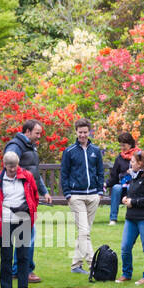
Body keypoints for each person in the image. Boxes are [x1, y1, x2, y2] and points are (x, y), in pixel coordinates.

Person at [0, 150, 39, 288]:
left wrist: (31, 210)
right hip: (6, 221)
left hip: (24, 219)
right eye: (10, 167)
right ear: (4, 166)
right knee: (6, 257)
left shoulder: (27, 177)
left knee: (23, 256)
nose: (13, 169)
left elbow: (34, 195)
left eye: (15, 166)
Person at [2, 119, 49, 282]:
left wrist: (44, 191)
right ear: (27, 132)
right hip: (19, 199)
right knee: (28, 235)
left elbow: (34, 173)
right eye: (37, 133)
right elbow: (8, 171)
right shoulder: (15, 146)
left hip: (28, 198)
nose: (39, 136)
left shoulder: (30, 147)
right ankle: (26, 270)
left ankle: (18, 269)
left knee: (25, 235)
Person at [60, 117, 107, 275]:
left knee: (84, 232)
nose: (82, 135)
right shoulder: (69, 152)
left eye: (85, 132)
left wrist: (100, 192)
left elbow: (100, 172)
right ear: (76, 132)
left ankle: (75, 266)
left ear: (89, 132)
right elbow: (64, 174)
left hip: (93, 195)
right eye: (80, 132)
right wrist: (68, 194)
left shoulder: (95, 151)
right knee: (84, 231)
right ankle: (93, 265)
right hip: (76, 196)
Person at [117, 151, 144, 285]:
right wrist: (125, 198)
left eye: (133, 162)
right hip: (131, 218)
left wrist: (133, 202)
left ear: (140, 164)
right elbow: (130, 192)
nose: (130, 164)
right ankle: (126, 273)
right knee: (125, 247)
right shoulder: (133, 177)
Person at [105, 131, 138, 225]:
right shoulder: (119, 158)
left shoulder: (139, 155)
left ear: (130, 144)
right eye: (121, 145)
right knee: (116, 187)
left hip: (136, 186)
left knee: (130, 187)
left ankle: (132, 218)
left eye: (124, 145)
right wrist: (106, 184)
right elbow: (114, 176)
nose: (122, 148)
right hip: (123, 186)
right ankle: (113, 219)